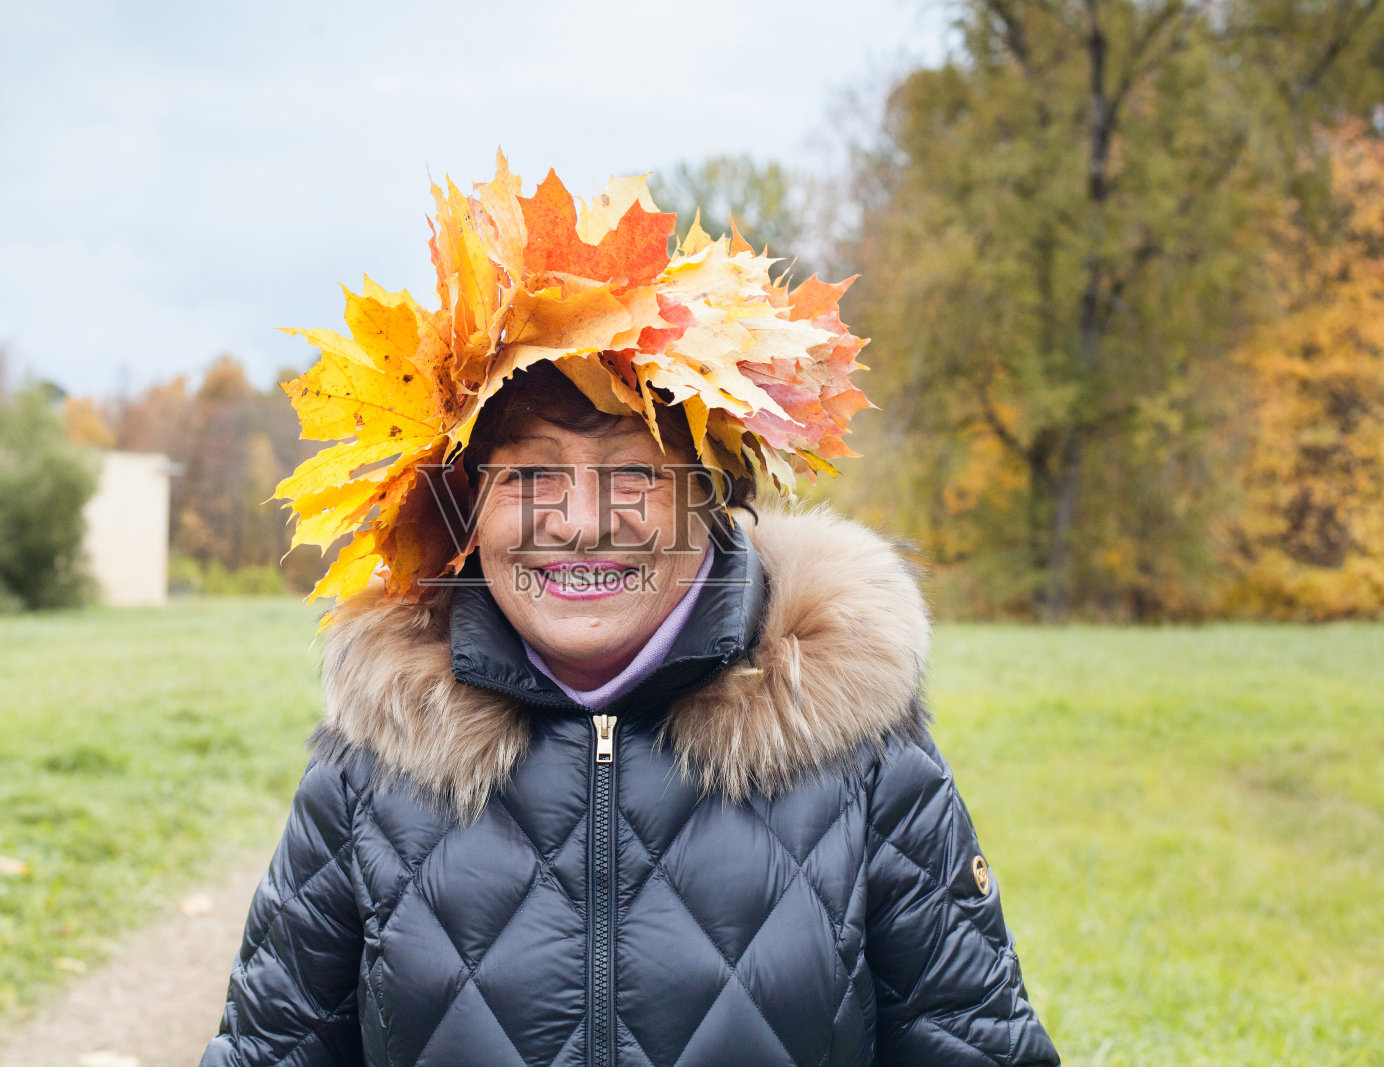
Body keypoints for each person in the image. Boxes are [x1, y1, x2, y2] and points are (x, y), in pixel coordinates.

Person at [201, 162, 1058, 1066]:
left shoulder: (862, 757)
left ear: (712, 497)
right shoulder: (371, 771)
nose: (578, 526)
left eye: (636, 472)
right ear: (462, 512)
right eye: (528, 474)